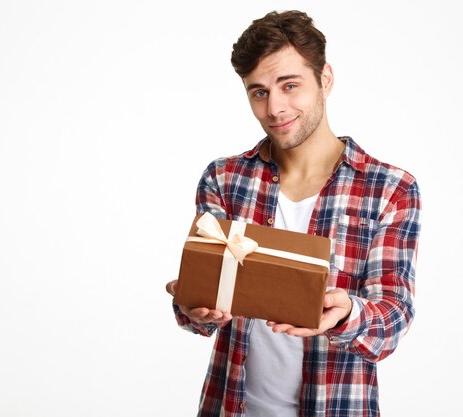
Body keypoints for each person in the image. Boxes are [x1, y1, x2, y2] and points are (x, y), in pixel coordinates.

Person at [165, 10, 421, 417]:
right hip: (231, 406)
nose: (275, 108)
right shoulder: (224, 178)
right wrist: (193, 307)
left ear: (325, 79)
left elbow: (393, 314)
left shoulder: (389, 188)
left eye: (290, 85)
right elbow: (199, 314)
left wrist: (348, 312)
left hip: (337, 405)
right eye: (259, 92)